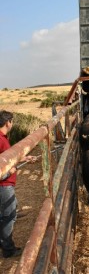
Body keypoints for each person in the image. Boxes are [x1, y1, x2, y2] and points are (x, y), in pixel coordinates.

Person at [0, 110, 36, 258]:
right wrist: (10, 172)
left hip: (5, 185)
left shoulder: (3, 138)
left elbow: (7, 159)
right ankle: (8, 249)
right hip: (4, 185)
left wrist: (25, 158)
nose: (12, 124)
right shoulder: (1, 140)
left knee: (10, 209)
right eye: (12, 121)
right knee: (9, 216)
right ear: (8, 122)